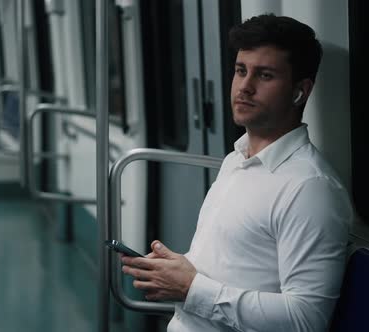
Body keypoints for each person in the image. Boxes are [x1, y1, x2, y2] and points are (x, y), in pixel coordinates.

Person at [121, 13, 352, 332]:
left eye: (265, 75)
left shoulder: (310, 188)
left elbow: (306, 320)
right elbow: (232, 267)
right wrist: (175, 271)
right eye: (241, 71)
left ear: (300, 91)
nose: (245, 86)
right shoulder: (236, 159)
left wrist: (190, 289)